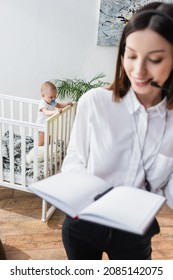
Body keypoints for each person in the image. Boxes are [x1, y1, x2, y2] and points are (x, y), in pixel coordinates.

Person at [61, 1, 173, 260]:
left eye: (155, 59)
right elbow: (75, 159)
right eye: (131, 55)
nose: (138, 70)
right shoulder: (94, 102)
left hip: (135, 231)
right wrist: (83, 189)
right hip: (83, 222)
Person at [36, 81, 73, 146]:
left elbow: (58, 105)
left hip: (49, 124)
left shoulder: (52, 102)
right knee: (41, 142)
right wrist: (56, 111)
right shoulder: (42, 103)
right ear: (43, 95)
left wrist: (66, 104)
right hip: (41, 126)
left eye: (55, 96)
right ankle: (36, 152)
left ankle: (47, 152)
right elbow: (46, 112)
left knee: (49, 141)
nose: (53, 99)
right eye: (51, 97)